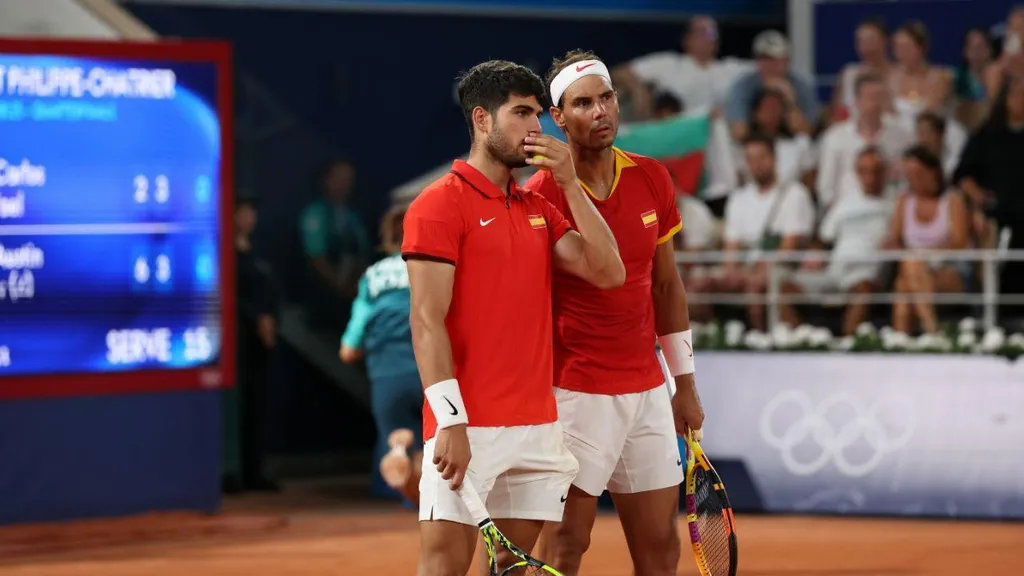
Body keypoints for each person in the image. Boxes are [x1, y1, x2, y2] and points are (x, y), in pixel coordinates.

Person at [403, 59, 625, 576]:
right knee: (444, 566)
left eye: (538, 116)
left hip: (536, 427)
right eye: (521, 113)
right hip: (468, 425)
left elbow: (608, 272)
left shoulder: (537, 206)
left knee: (513, 568)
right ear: (482, 120)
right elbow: (426, 321)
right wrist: (450, 420)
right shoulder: (437, 205)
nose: (535, 129)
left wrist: (569, 183)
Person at [528, 50, 706, 576]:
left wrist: (685, 383)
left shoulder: (652, 177)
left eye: (606, 97)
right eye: (583, 103)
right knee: (565, 547)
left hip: (648, 393)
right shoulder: (539, 193)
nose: (600, 110)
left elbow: (667, 285)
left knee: (661, 549)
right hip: (574, 393)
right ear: (557, 118)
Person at [339, 204, 421, 505]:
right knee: (435, 450)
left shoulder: (371, 277)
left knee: (397, 437)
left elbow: (349, 350)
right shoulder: (434, 266)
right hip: (432, 373)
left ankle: (400, 454)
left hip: (387, 378)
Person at [227, 196, 281, 493]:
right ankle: (232, 473)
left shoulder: (261, 252)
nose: (249, 218)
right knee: (237, 407)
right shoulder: (223, 251)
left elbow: (272, 292)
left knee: (260, 406)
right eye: (243, 212)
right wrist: (255, 317)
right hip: (238, 343)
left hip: (264, 343)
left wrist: (270, 320)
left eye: (251, 212)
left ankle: (255, 470)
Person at [885, 145, 970, 335]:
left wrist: (926, 255)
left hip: (948, 269)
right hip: (914, 267)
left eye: (917, 173)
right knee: (906, 280)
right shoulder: (904, 201)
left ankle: (901, 340)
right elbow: (896, 239)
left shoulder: (952, 200)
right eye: (908, 174)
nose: (912, 179)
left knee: (905, 282)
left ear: (933, 172)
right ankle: (929, 330)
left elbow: (959, 242)